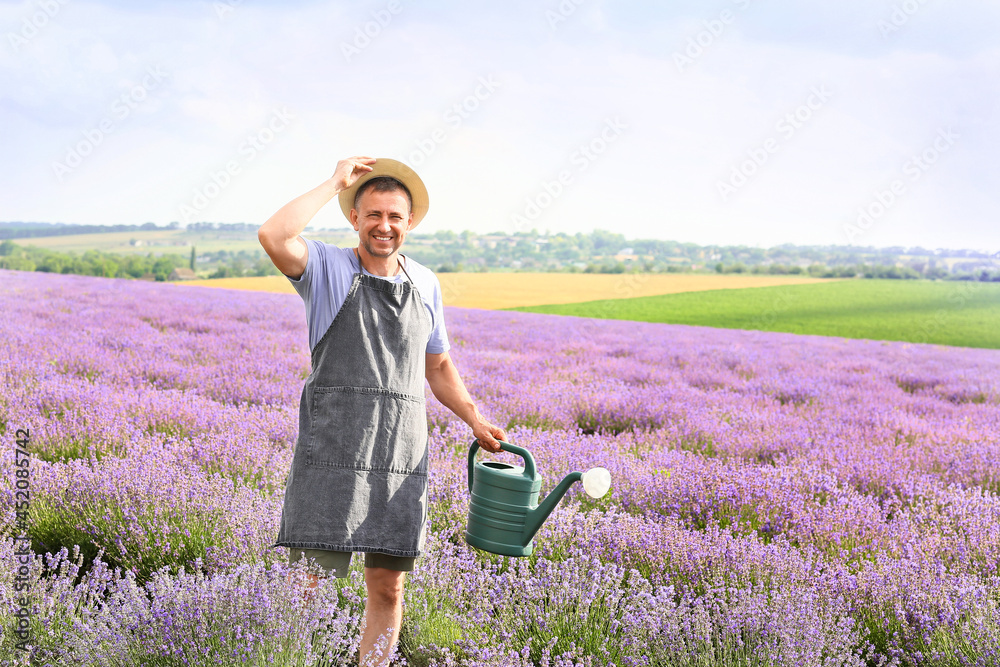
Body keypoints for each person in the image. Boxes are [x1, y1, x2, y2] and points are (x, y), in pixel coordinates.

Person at [258, 156, 506, 666]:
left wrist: (474, 418)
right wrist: (333, 182)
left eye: (395, 216)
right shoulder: (327, 268)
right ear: (355, 218)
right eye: (373, 215)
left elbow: (437, 366)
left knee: (388, 588)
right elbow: (273, 235)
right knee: (308, 586)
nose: (384, 226)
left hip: (399, 452)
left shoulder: (426, 283)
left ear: (410, 222)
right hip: (333, 449)